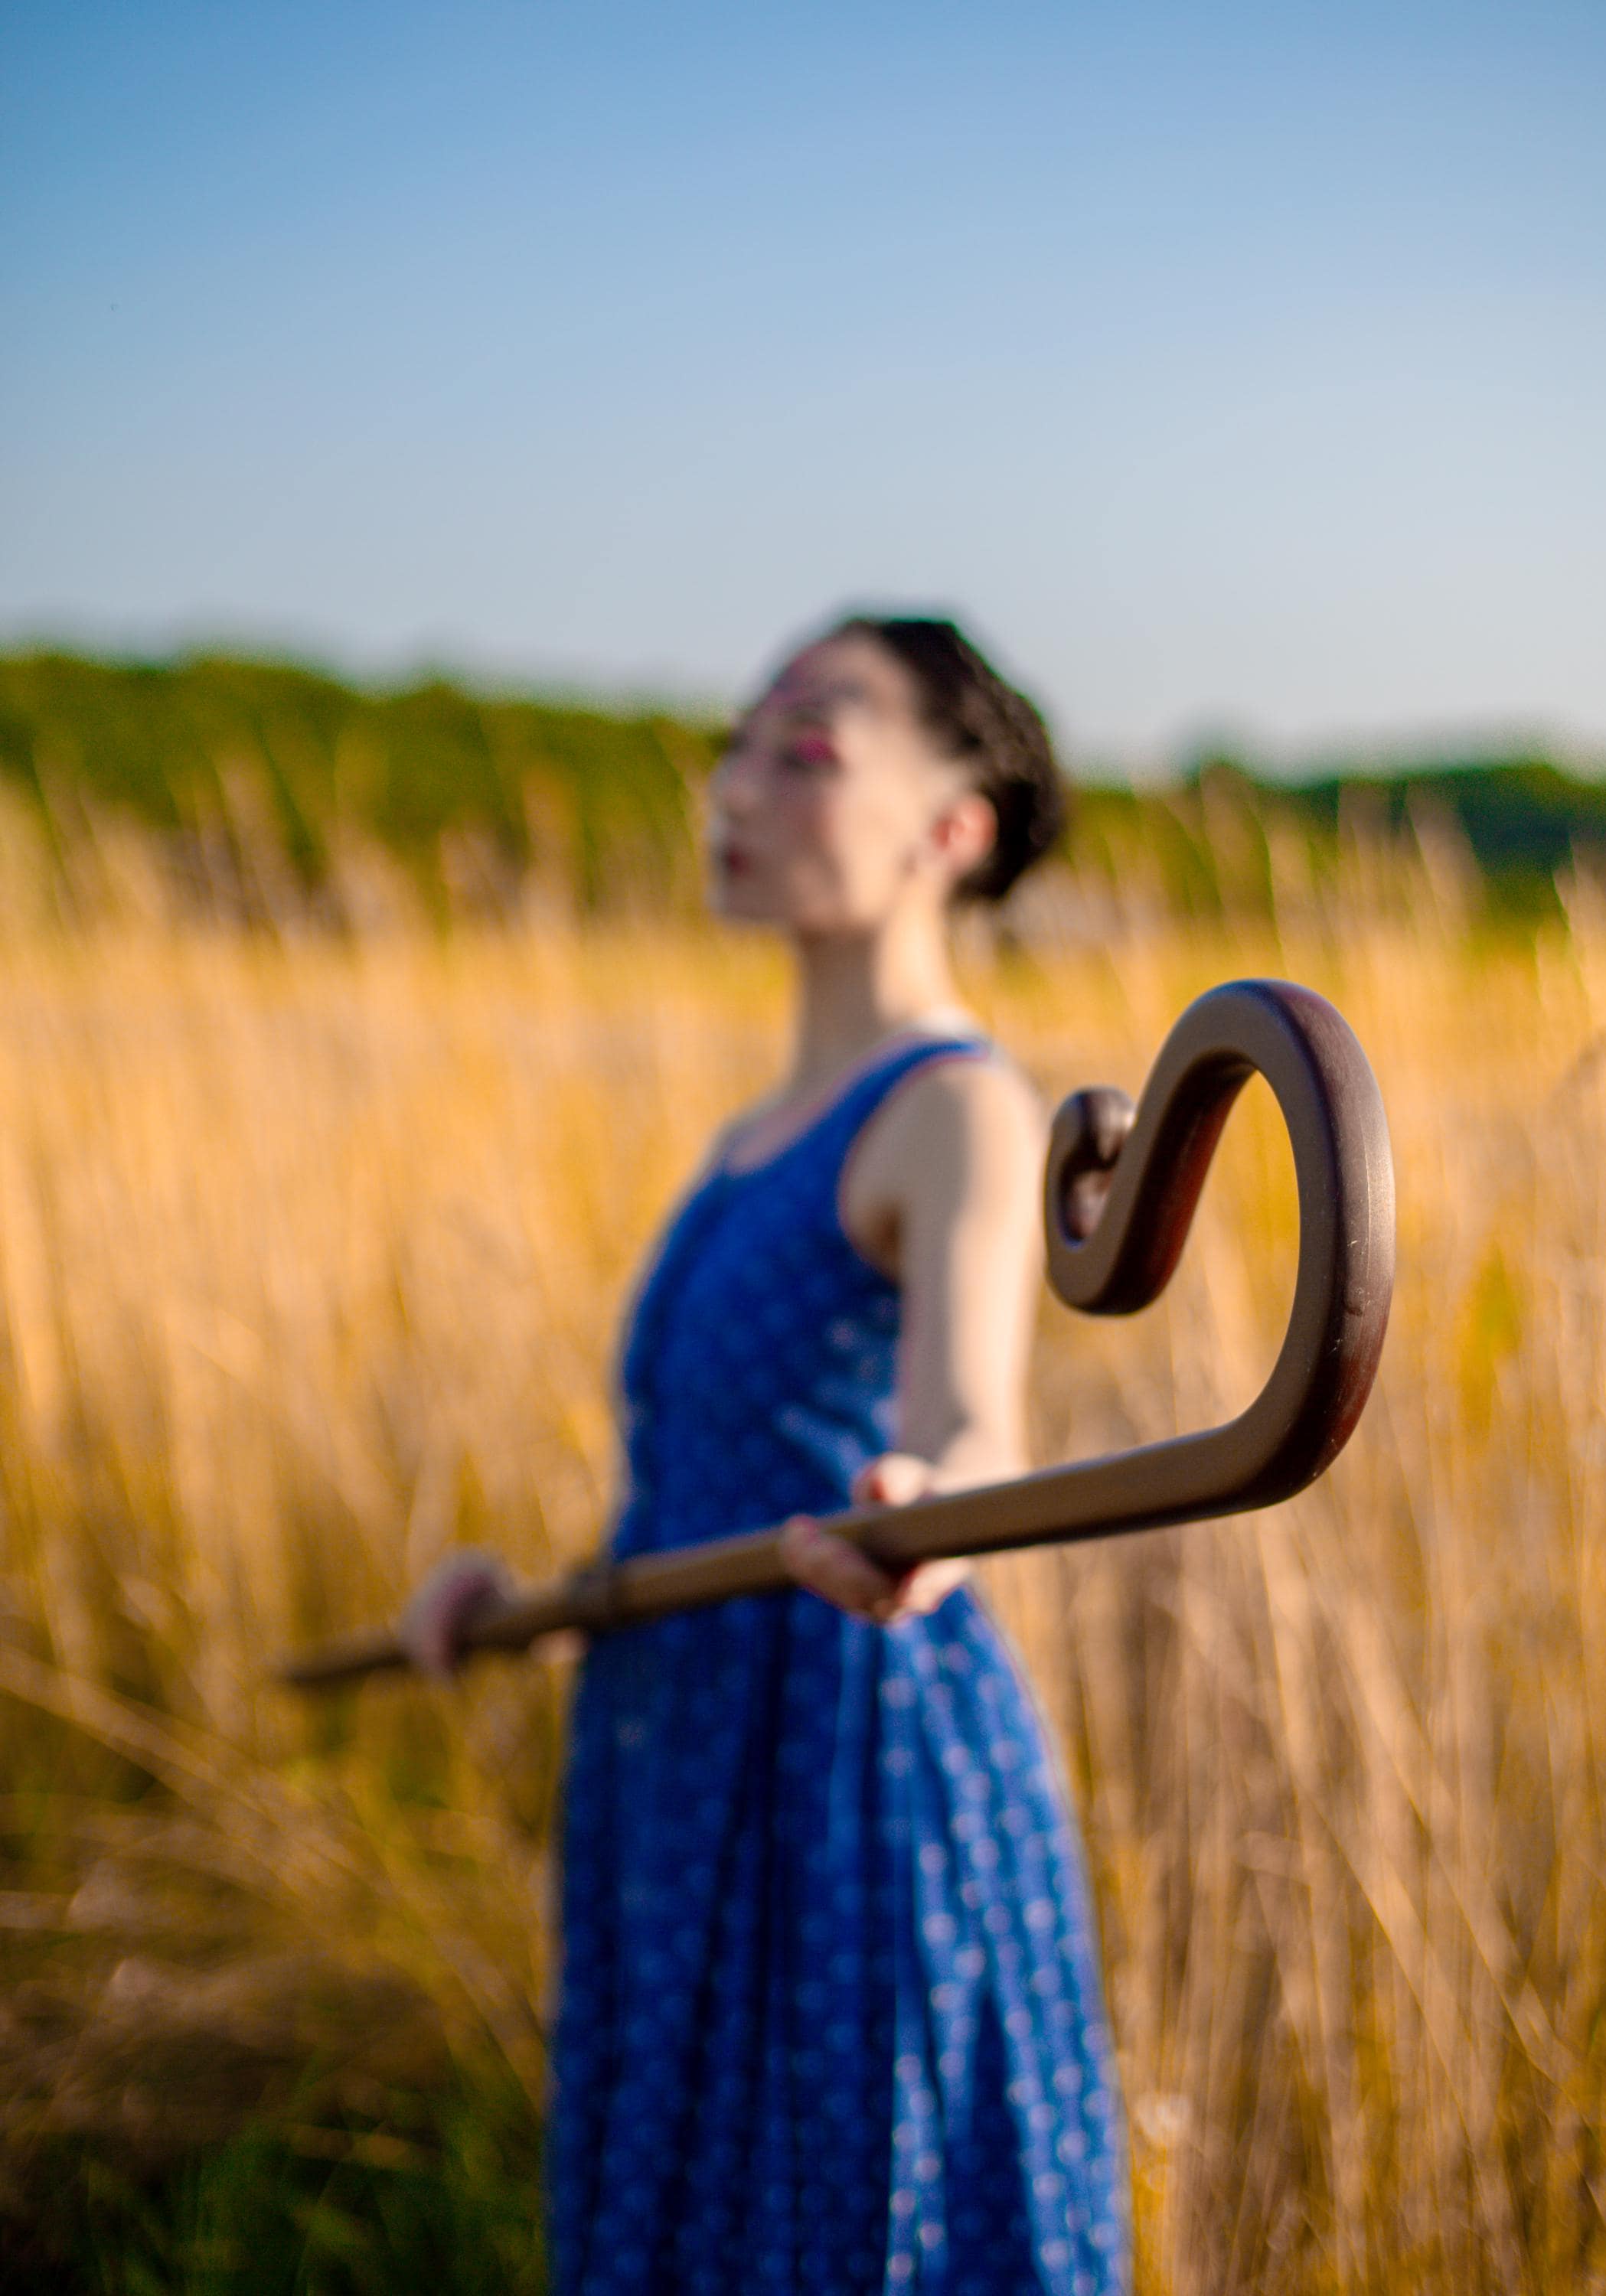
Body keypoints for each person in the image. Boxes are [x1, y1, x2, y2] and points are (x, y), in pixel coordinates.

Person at [401, 615, 1127, 2294]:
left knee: (851, 2217)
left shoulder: (957, 1107)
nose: (734, 787)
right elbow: (700, 1486)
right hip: (677, 1751)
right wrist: (527, 1605)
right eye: (737, 745)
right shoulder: (745, 1141)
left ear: (953, 827)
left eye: (806, 747)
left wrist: (928, 1515)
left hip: (845, 1754)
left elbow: (970, 1425)